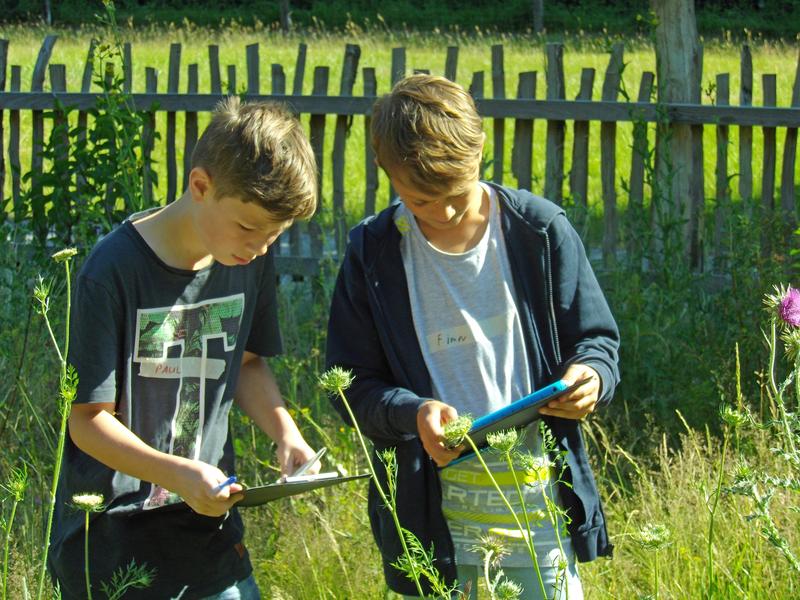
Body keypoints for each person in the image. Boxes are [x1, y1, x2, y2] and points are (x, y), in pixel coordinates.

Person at [325, 74, 619, 599]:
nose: (442, 213)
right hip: (430, 530)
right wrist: (411, 413)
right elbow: (352, 387)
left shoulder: (539, 232)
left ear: (480, 150)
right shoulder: (372, 254)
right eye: (419, 201)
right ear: (386, 173)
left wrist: (591, 376)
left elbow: (596, 341)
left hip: (539, 519)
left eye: (454, 196)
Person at [48, 97, 320, 600]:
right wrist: (177, 473)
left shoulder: (247, 257)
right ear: (200, 186)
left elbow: (247, 361)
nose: (260, 246)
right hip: (111, 542)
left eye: (274, 235)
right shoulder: (111, 273)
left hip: (206, 528)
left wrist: (287, 435)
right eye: (249, 227)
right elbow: (87, 420)